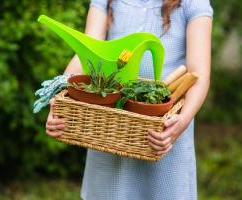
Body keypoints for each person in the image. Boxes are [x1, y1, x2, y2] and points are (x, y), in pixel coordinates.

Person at [46, 0, 213, 199]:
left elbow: (198, 74)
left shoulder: (192, 3)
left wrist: (181, 122)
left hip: (164, 134)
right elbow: (85, 55)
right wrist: (62, 101)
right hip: (110, 129)